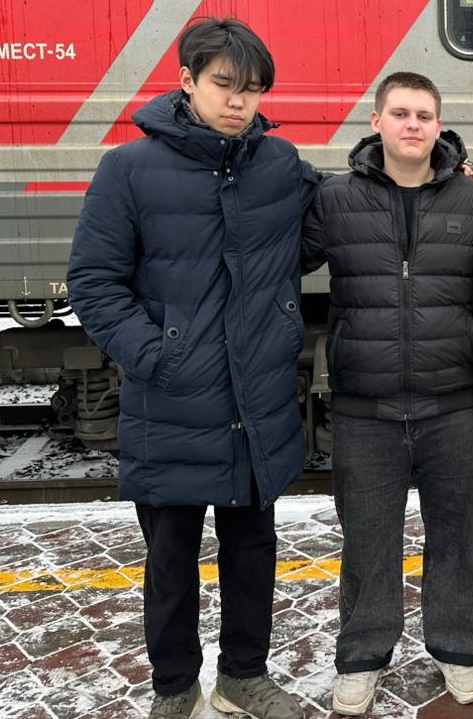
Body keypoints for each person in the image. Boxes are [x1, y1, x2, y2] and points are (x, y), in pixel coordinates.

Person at [66, 18, 319, 719]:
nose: (239, 101)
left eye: (253, 89)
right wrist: (157, 355)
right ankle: (174, 686)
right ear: (186, 80)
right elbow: (94, 282)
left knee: (252, 552)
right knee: (171, 561)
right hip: (173, 400)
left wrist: (457, 181)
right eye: (224, 84)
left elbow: (341, 217)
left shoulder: (279, 164)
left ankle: (244, 675)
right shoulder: (128, 169)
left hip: (256, 401)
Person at [301, 72, 473, 716]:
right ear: (376, 121)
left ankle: (459, 648)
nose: (413, 125)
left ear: (439, 126)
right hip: (366, 405)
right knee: (367, 540)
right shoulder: (334, 199)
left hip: (454, 400)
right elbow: (278, 258)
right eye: (401, 113)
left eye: (424, 115)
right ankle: (362, 656)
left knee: (458, 537)